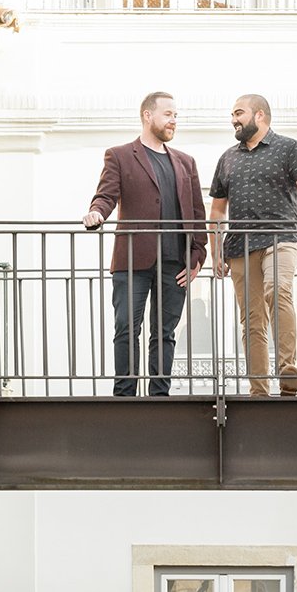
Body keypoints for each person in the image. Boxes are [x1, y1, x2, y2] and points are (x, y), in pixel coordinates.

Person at [83, 92, 207, 396]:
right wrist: (97, 212)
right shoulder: (120, 155)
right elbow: (107, 195)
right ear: (147, 116)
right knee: (126, 327)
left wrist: (197, 256)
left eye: (176, 115)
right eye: (168, 114)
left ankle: (159, 394)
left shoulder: (185, 162)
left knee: (164, 333)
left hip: (174, 263)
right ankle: (125, 393)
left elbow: (196, 211)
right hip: (132, 260)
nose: (173, 120)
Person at [209, 94, 297, 397]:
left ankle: (288, 368)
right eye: (232, 114)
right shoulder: (228, 158)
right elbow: (218, 210)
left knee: (278, 289)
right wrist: (215, 250)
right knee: (251, 319)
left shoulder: (288, 148)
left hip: (280, 236)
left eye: (239, 113)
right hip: (239, 245)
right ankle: (259, 389)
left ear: (260, 115)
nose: (233, 119)